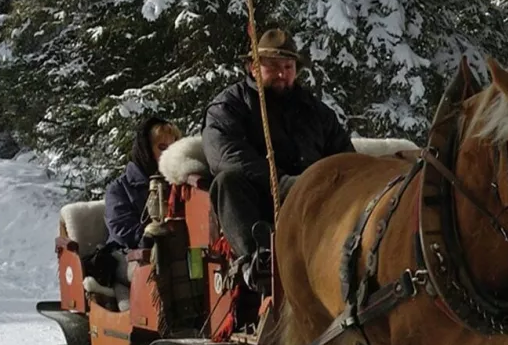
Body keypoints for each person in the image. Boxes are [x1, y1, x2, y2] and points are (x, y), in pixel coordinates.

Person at [203, 27, 354, 289]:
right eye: (272, 66)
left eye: (288, 66)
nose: (282, 74)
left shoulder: (317, 112)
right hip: (260, 203)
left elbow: (344, 157)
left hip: (315, 202)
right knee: (227, 182)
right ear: (253, 67)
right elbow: (226, 156)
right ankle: (257, 261)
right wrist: (282, 184)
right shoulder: (228, 107)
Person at [104, 116, 181, 252]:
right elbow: (122, 232)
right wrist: (151, 236)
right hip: (133, 258)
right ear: (146, 150)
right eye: (162, 148)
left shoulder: (180, 183)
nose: (169, 155)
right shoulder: (119, 189)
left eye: (172, 149)